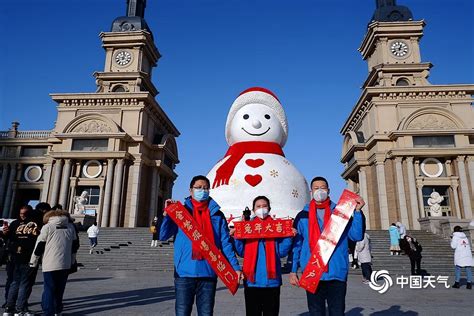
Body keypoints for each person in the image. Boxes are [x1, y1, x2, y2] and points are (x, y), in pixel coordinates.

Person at [159, 175, 242, 316]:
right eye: (198, 187)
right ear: (190, 190)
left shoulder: (217, 215)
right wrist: (167, 215)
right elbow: (163, 235)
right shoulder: (181, 213)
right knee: (182, 312)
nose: (202, 190)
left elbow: (226, 244)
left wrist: (235, 267)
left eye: (205, 188)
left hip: (209, 272)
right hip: (184, 273)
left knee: (206, 313)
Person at [289, 176, 365, 316]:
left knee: (337, 312)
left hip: (336, 272)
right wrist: (293, 270)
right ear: (311, 192)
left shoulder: (341, 212)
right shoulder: (302, 216)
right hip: (312, 272)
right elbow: (297, 245)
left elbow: (356, 236)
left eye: (323, 188)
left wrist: (358, 212)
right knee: (316, 312)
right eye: (316, 188)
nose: (320, 191)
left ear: (328, 190)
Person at [232, 196, 294, 316]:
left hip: (272, 281)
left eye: (264, 206)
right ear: (253, 210)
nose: (262, 209)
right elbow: (241, 252)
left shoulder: (276, 227)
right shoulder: (247, 228)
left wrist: (289, 237)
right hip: (252, 281)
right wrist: (236, 237)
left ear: (269, 208)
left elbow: (281, 252)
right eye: (258, 206)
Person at [30, 209, 79, 316]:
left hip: (50, 264)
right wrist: (72, 261)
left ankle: (48, 312)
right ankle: (58, 310)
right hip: (65, 264)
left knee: (49, 288)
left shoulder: (47, 227)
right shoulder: (71, 227)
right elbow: (75, 247)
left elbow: (39, 246)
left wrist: (33, 262)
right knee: (60, 289)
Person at [2, 205, 40, 316]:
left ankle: (9, 309)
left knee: (16, 282)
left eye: (24, 214)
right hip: (25, 258)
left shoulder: (17, 223)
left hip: (19, 257)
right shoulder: (33, 224)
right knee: (23, 283)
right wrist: (5, 233)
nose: (22, 216)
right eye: (20, 214)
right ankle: (19, 309)